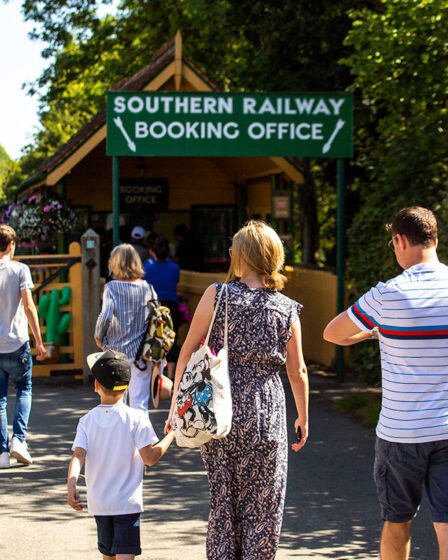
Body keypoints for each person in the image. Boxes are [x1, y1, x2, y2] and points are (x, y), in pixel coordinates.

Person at [165, 220, 309, 560]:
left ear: (240, 256)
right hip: (267, 412)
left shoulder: (218, 295)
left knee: (224, 501)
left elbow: (188, 351)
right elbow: (298, 371)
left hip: (220, 409)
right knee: (264, 502)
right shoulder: (286, 309)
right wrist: (303, 416)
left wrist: (176, 406)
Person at [324, 206, 448, 560]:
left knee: (398, 520)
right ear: (434, 239)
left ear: (400, 240)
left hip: (400, 433)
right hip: (447, 429)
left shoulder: (388, 294)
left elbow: (332, 333)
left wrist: (374, 333)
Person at [68, 349, 175, 560]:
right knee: (125, 554)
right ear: (127, 387)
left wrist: (72, 483)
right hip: (127, 503)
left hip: (100, 503)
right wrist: (172, 434)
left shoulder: (87, 420)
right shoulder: (136, 418)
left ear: (96, 385)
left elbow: (78, 455)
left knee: (107, 555)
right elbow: (150, 458)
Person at [0, 224, 46, 469]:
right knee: (24, 390)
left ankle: (1, 453)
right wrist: (39, 341)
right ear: (11, 245)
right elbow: (28, 306)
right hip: (18, 343)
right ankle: (19, 440)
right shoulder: (20, 270)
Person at [95, 244, 157, 413]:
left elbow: (106, 316)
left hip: (116, 353)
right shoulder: (148, 288)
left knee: (116, 403)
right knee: (140, 404)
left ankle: (120, 438)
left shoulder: (112, 288)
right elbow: (156, 321)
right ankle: (142, 439)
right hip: (141, 356)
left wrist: (99, 338)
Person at [143, 235, 181, 379]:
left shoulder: (147, 267)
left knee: (154, 339)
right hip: (171, 306)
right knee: (171, 339)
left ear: (153, 252)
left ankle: (156, 376)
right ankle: (170, 377)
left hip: (154, 306)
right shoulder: (175, 267)